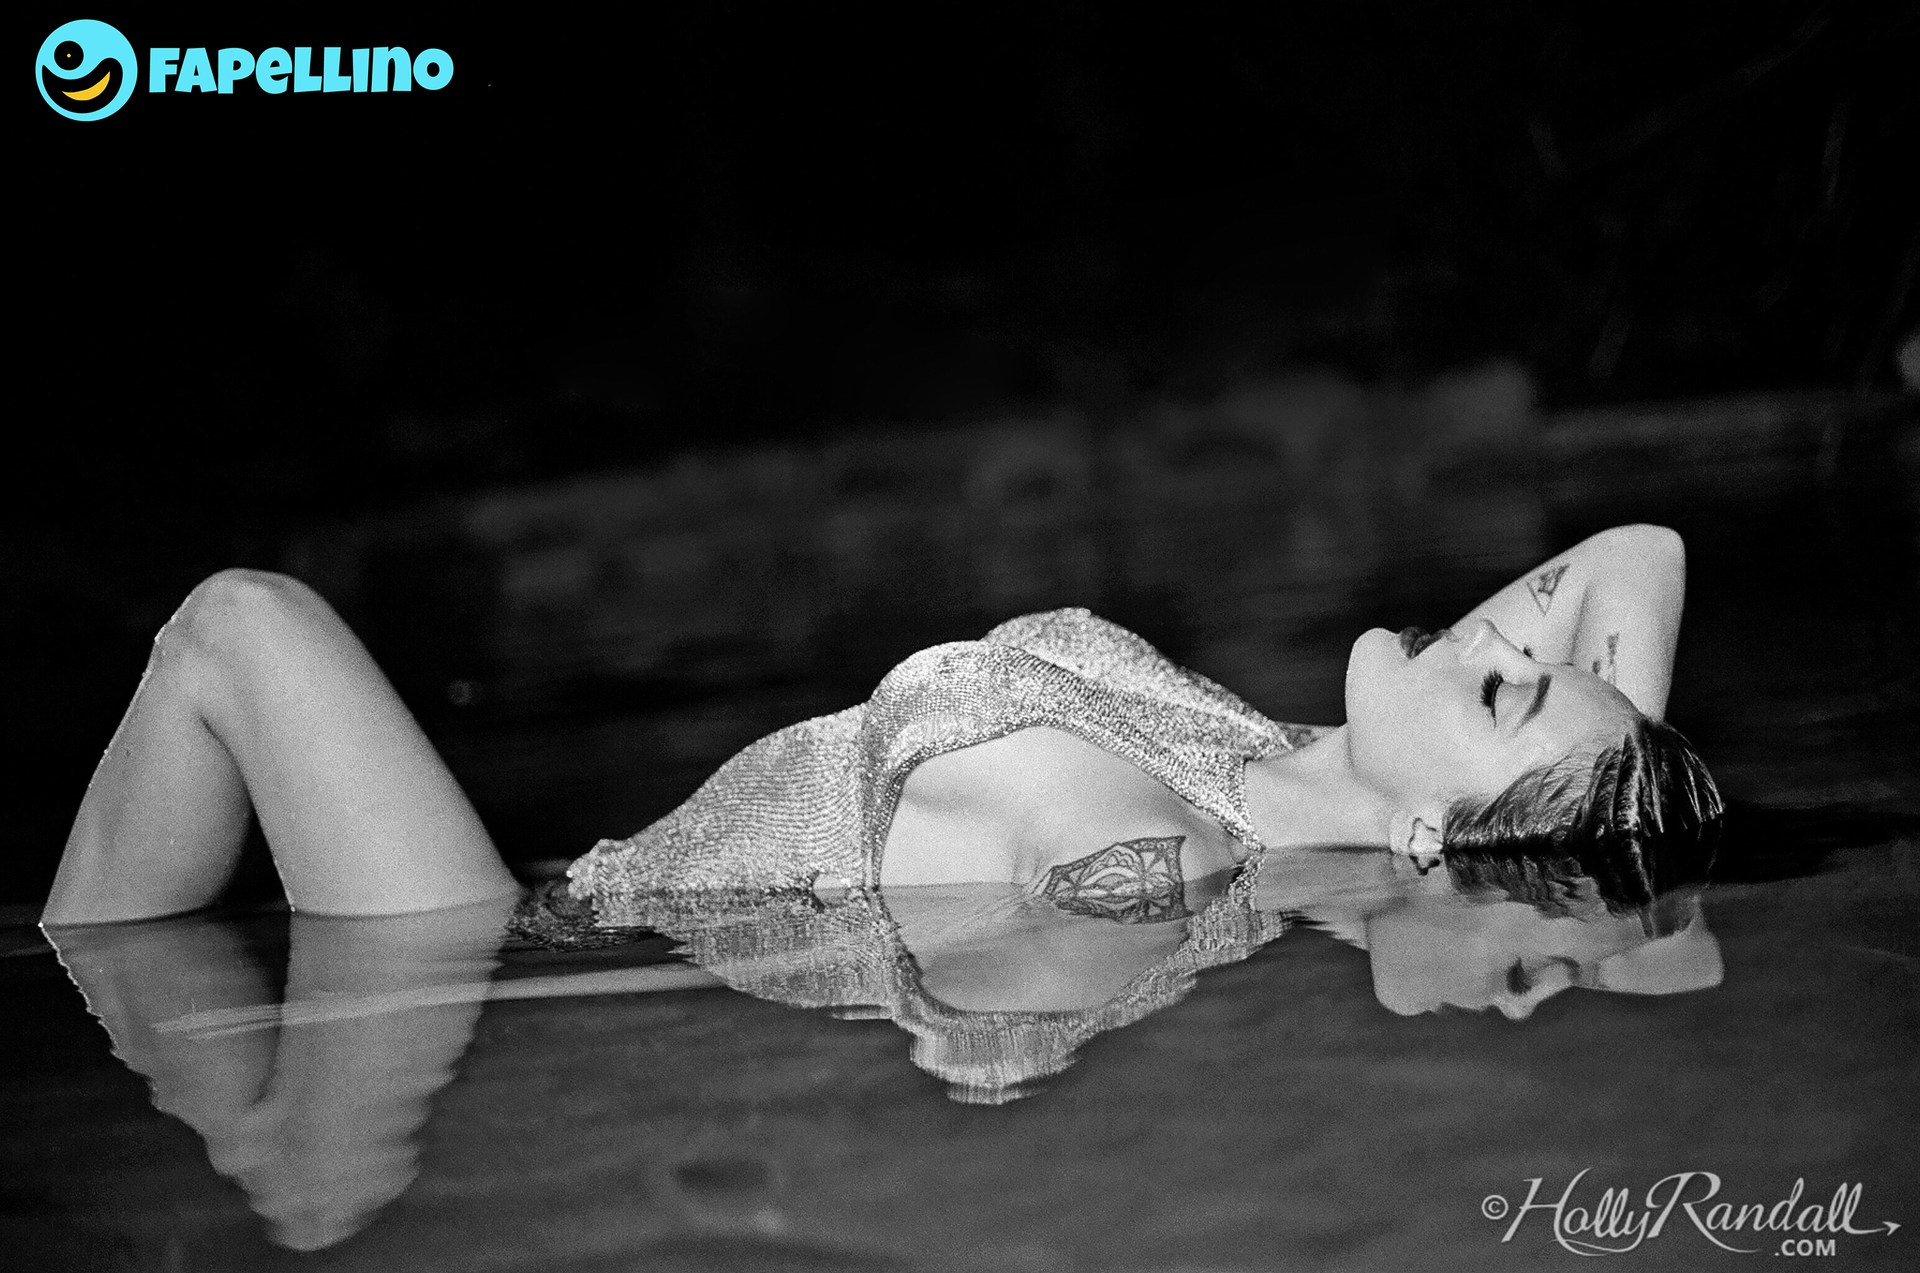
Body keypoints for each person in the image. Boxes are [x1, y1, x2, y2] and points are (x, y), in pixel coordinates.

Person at [40, 522, 1721, 934]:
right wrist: (1602, 755)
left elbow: (985, 1013)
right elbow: (1642, 551)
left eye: (1506, 684)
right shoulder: (1264, 748)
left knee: (237, 627)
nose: (1503, 629)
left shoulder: (1162, 855)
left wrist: (1544, 825)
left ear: (1434, 835)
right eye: (1530, 652)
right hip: (561, 886)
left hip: (505, 950)